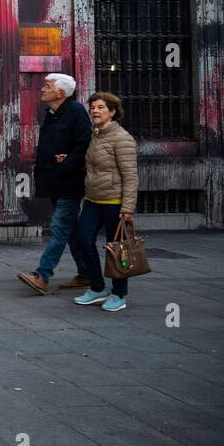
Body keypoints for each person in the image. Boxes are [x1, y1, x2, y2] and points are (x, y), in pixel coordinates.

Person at [17, 73, 92, 294]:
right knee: (71, 230)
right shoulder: (52, 113)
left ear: (60, 92)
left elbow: (83, 144)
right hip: (54, 181)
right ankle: (86, 273)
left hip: (69, 182)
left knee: (59, 227)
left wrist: (66, 163)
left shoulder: (76, 112)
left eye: (47, 86)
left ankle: (42, 275)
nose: (42, 89)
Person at [73, 91, 138, 312]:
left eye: (100, 107)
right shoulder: (96, 135)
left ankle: (119, 294)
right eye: (93, 107)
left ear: (112, 111)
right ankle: (97, 287)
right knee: (83, 240)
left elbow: (130, 175)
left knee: (118, 249)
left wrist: (127, 207)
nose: (95, 111)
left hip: (115, 202)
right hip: (93, 199)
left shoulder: (122, 138)